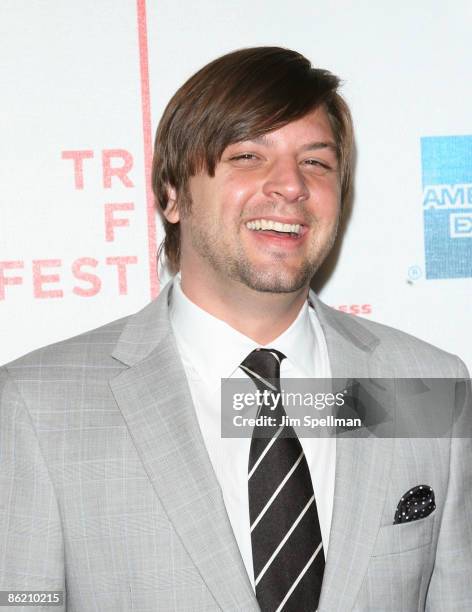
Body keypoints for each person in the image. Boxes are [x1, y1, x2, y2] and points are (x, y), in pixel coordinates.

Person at [0, 47, 470, 612]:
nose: (290, 186)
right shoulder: (39, 406)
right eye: (248, 155)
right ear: (172, 194)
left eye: (316, 163)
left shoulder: (425, 385)